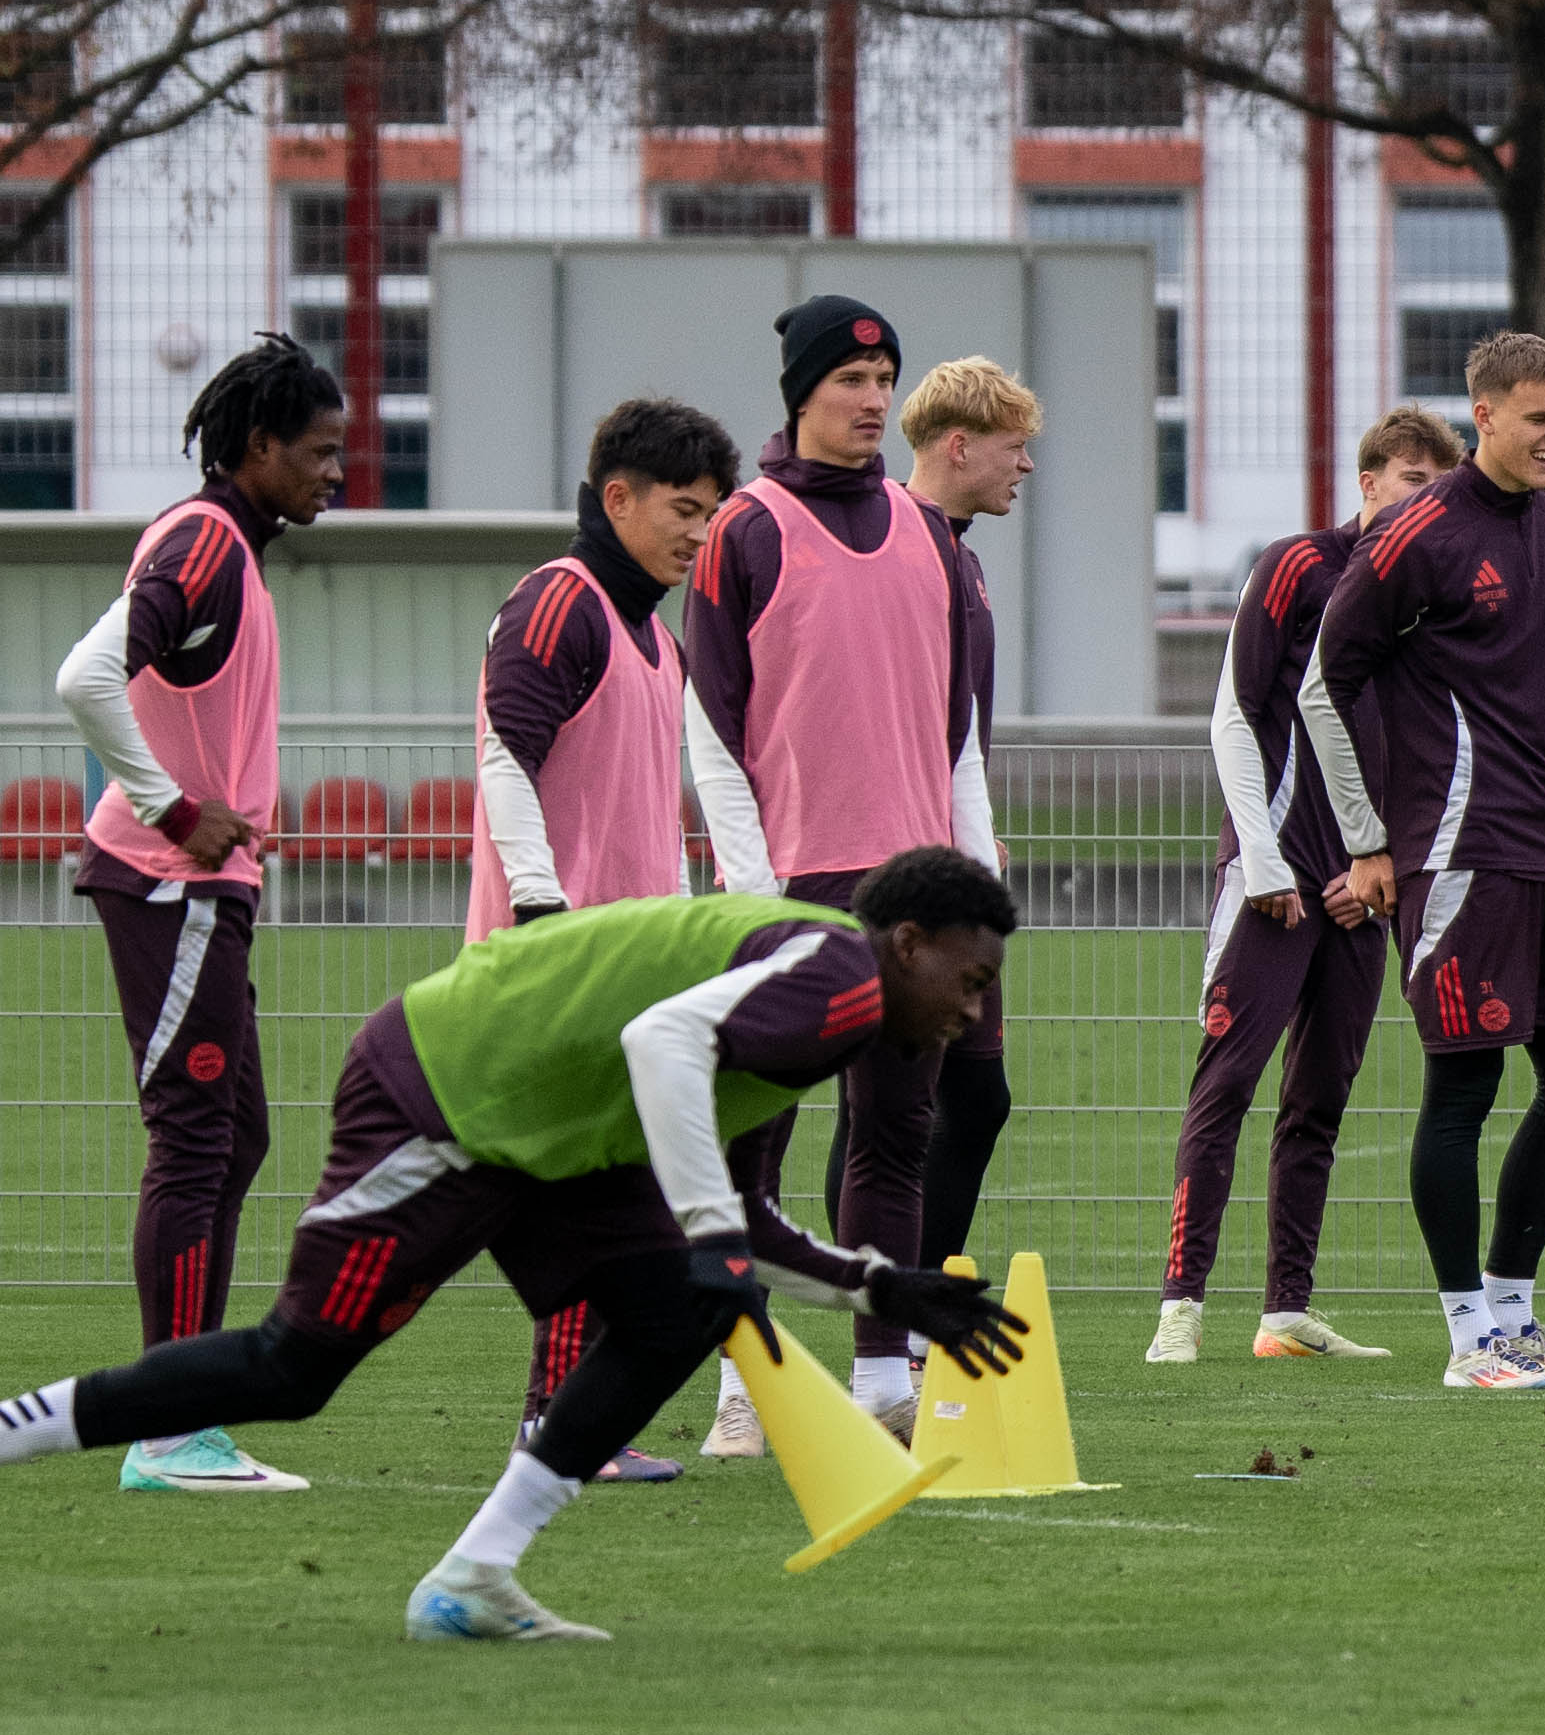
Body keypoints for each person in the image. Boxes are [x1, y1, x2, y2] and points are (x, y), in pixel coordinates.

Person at [0, 849, 1029, 1641]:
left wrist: (880, 1288)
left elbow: (742, 1213)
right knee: (292, 1366)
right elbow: (660, 1046)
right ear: (906, 942)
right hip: (452, 1086)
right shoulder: (837, 978)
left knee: (673, 1315)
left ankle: (474, 1577)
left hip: (558, 1131)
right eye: (970, 981)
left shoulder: (822, 1010)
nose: (970, 1012)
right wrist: (713, 1240)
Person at [1299, 332, 1545, 1391]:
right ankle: (1469, 1342)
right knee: (1462, 1089)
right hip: (1456, 851)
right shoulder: (1418, 534)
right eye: (1538, 418)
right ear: (1485, 413)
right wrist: (1369, 838)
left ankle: (1515, 1316)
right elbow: (1328, 686)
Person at [684, 296, 1002, 1455]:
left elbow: (960, 727)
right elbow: (711, 725)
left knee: (892, 1137)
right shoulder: (745, 528)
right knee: (753, 1148)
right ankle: (744, 1386)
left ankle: (879, 1386)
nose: (872, 401)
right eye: (850, 382)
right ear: (801, 395)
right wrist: (754, 889)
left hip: (917, 892)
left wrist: (974, 867)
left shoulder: (929, 535)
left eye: (885, 381)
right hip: (795, 885)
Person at [48, 332, 344, 1493]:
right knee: (197, 1134)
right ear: (258, 447)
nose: (337, 472)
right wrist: (177, 814)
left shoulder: (229, 549)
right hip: (170, 883)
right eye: (319, 452)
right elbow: (83, 676)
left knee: (239, 1133)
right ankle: (170, 1432)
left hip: (204, 889)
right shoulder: (205, 544)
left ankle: (186, 1418)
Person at [1149, 406, 1466, 1364]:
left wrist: (1385, 879)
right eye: (1411, 483)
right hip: (1271, 882)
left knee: (1319, 1102)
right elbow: (1235, 719)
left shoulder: (1422, 605)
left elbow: (1427, 757)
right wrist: (1264, 862)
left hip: (1359, 897)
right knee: (1226, 1089)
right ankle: (1181, 1307)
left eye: (1438, 491)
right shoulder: (1299, 565)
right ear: (1368, 482)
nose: (1424, 505)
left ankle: (1285, 1313)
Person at [471, 395, 743, 1484]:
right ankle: (557, 1428)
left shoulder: (655, 640)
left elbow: (643, 811)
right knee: (598, 1202)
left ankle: (565, 1424)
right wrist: (541, 909)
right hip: (558, 962)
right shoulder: (560, 603)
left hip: (627, 965)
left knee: (610, 1197)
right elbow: (506, 754)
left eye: (711, 517)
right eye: (682, 510)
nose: (696, 534)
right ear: (615, 498)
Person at [891, 357, 1037, 1299]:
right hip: (903, 866)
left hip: (956, 854)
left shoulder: (965, 557)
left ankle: (907, 1303)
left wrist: (976, 825)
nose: (1025, 467)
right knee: (901, 1107)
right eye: (1015, 448)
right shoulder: (894, 547)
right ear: (959, 444)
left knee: (973, 1097)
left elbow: (958, 722)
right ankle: (894, 1306)